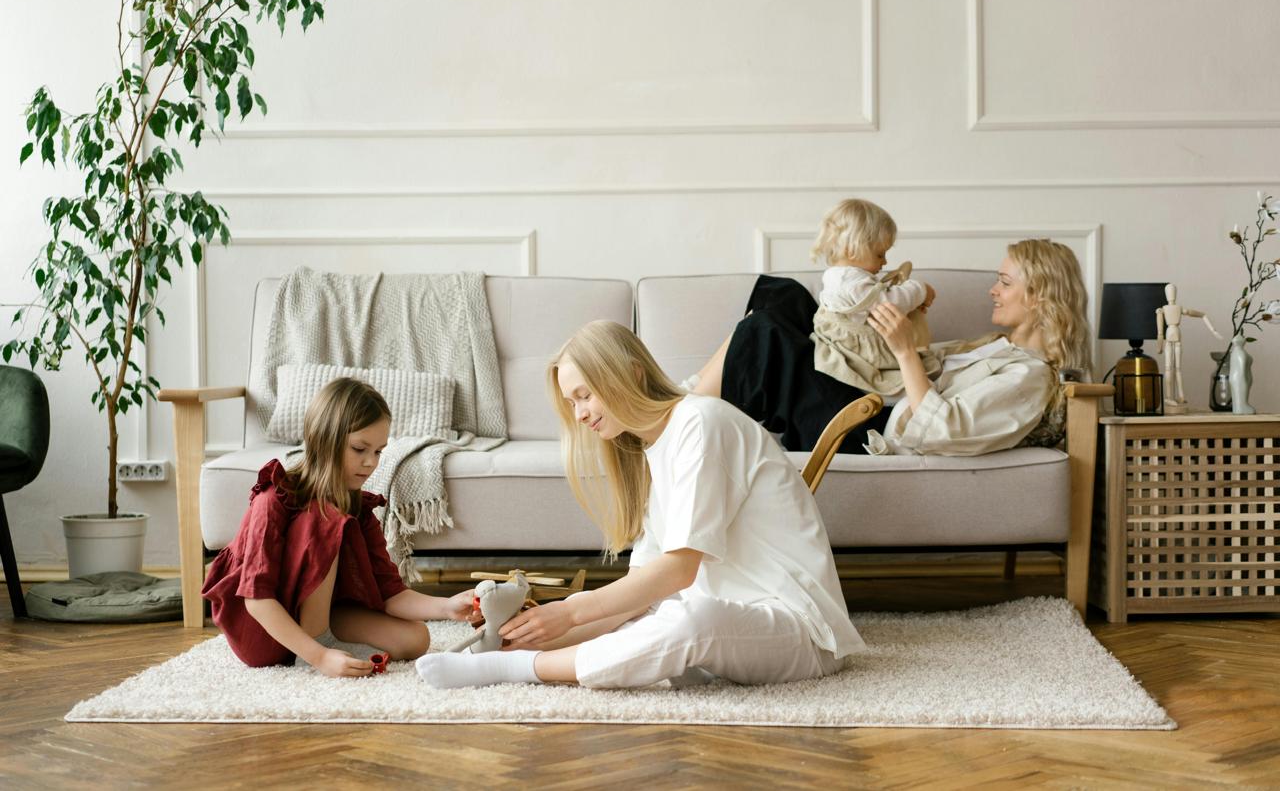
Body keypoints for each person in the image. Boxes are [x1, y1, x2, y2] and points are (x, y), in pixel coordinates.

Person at [414, 320, 864, 690]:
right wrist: (536, 634)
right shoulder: (653, 451)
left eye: (584, 395)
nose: (580, 414)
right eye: (572, 402)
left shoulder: (701, 423)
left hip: (801, 632)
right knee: (659, 614)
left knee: (694, 618)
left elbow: (679, 571)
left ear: (630, 373)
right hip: (730, 621)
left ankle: (512, 671)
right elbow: (638, 596)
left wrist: (566, 613)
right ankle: (524, 657)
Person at [689, 238, 1092, 456]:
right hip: (870, 394)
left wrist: (903, 351)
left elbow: (943, 428)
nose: (993, 290)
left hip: (867, 426)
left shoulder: (1030, 377)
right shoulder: (996, 347)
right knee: (786, 296)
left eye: (1005, 282)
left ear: (1040, 296)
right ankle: (690, 402)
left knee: (765, 330)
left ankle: (681, 418)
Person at [201, 378, 477, 677]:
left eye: (378, 452)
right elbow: (257, 601)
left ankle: (323, 634)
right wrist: (319, 656)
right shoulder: (273, 499)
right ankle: (316, 644)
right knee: (325, 515)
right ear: (325, 440)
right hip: (262, 631)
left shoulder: (357, 506)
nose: (370, 463)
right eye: (360, 448)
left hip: (320, 614)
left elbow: (392, 595)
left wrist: (447, 606)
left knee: (416, 639)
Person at [807, 199, 940, 396]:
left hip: (844, 346)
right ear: (853, 249)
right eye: (880, 254)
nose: (885, 261)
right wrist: (920, 290)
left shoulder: (838, 275)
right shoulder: (850, 280)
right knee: (924, 378)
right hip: (859, 357)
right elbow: (888, 304)